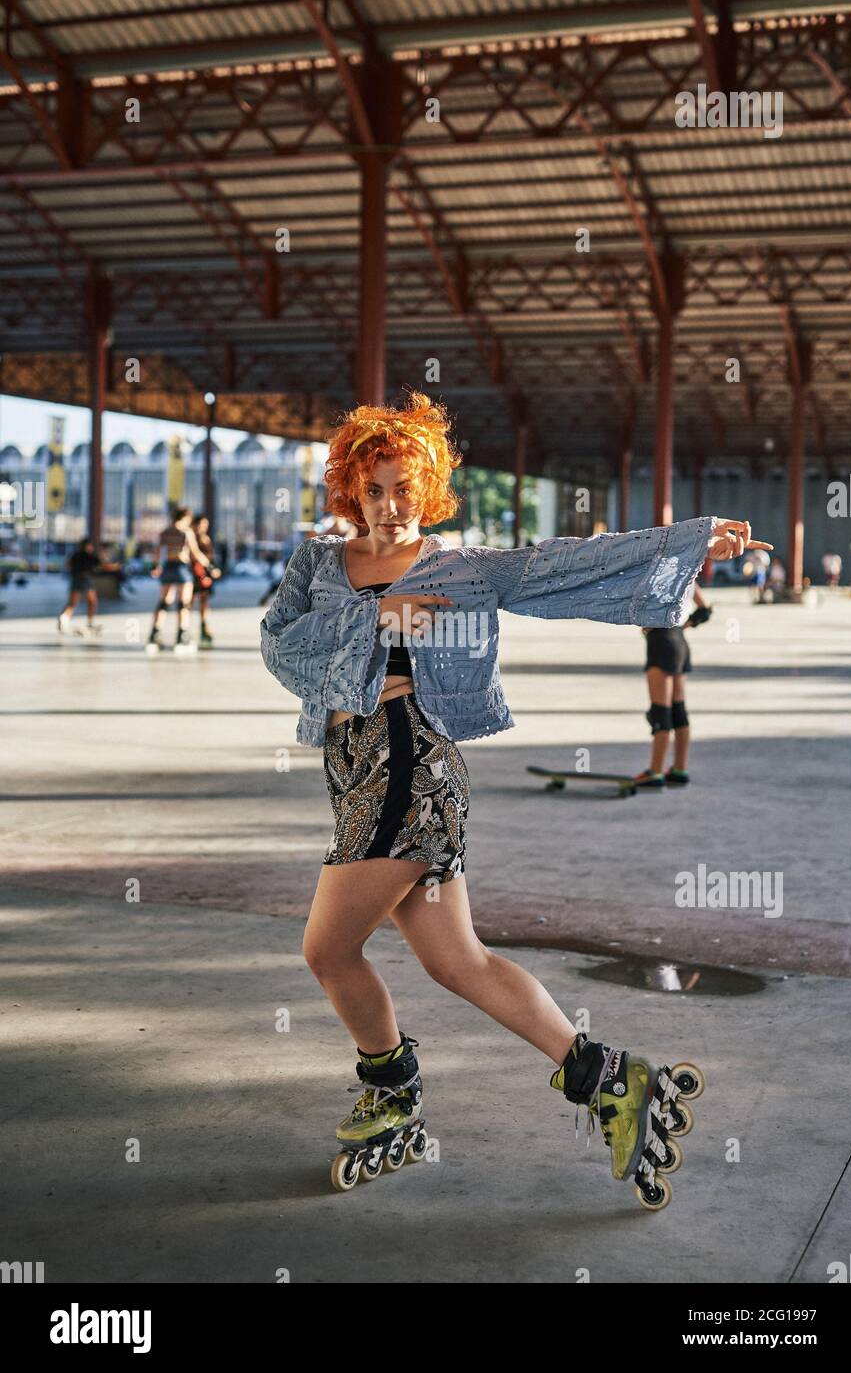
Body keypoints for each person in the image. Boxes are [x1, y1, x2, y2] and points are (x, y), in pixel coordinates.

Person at [260, 390, 772, 1210]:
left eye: (404, 489)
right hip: (353, 769)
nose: (390, 506)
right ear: (348, 492)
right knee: (456, 962)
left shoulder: (458, 569)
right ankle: (608, 1078)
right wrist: (379, 621)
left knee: (326, 949)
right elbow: (280, 647)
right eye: (374, 489)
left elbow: (562, 564)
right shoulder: (316, 567)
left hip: (414, 770)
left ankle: (392, 1091)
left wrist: (686, 541)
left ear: (425, 491)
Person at [636, 581, 712, 788]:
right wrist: (686, 624)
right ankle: (679, 769)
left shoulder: (656, 575)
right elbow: (705, 610)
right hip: (679, 640)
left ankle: (656, 771)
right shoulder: (687, 576)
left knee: (660, 712)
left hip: (661, 642)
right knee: (678, 710)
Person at [147, 506, 211, 653]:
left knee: (163, 602)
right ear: (185, 518)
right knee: (184, 604)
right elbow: (195, 552)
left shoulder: (165, 532)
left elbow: (156, 552)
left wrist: (154, 566)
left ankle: (154, 634)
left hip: (168, 567)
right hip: (182, 568)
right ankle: (182, 636)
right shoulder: (186, 532)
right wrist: (210, 566)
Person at [57, 537, 104, 635]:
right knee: (92, 602)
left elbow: (67, 565)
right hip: (86, 580)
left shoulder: (75, 555)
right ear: (88, 546)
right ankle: (90, 623)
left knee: (72, 603)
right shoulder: (90, 556)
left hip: (75, 580)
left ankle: (64, 618)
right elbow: (102, 565)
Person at [191, 514, 222, 647]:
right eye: (201, 524)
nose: (203, 527)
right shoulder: (191, 537)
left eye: (205, 525)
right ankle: (184, 628)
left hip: (204, 574)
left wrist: (211, 570)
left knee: (204, 600)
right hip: (193, 573)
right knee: (188, 601)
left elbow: (210, 557)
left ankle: (204, 627)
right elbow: (195, 555)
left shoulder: (205, 538)